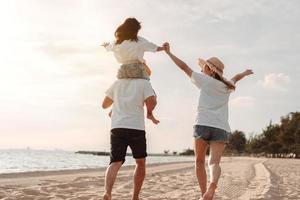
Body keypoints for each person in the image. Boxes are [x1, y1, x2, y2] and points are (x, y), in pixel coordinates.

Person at [164, 43, 253, 200]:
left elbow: (184, 67)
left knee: (199, 162)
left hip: (202, 125)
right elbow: (237, 77)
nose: (201, 70)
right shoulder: (227, 85)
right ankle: (212, 187)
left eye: (204, 67)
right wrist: (245, 73)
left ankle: (203, 193)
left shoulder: (204, 80)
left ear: (210, 70)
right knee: (214, 163)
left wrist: (169, 53)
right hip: (221, 127)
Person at [102, 17, 166, 124]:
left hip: (123, 70)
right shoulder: (139, 41)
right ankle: (150, 113)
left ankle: (113, 109)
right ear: (135, 30)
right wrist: (163, 48)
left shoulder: (117, 43)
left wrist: (105, 46)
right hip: (137, 69)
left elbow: (109, 47)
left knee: (123, 91)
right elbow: (154, 47)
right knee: (149, 92)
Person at [101, 77, 157, 200]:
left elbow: (104, 105)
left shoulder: (117, 83)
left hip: (118, 127)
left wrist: (118, 101)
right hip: (136, 127)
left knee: (115, 162)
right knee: (140, 162)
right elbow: (151, 105)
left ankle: (107, 193)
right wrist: (153, 96)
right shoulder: (144, 83)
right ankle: (135, 196)